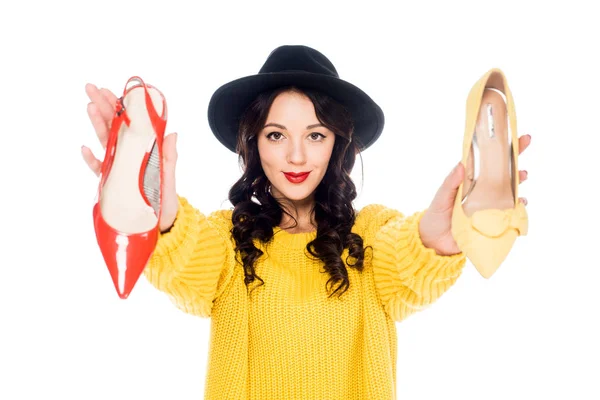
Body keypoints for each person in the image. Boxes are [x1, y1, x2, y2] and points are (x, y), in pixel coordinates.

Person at [81, 45, 531, 399]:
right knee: (170, 232)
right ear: (254, 143)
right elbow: (189, 258)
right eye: (276, 135)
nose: (296, 156)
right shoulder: (228, 241)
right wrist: (165, 214)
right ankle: (148, 194)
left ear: (337, 144)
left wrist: (433, 240)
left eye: (315, 135)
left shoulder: (370, 235)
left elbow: (403, 261)